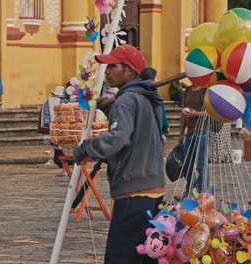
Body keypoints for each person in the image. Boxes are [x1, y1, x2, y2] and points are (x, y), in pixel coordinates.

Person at [73, 44, 165, 264]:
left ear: (129, 71)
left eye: (112, 66)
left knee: (122, 257)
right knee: (146, 255)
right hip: (153, 188)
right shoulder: (148, 98)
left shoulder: (126, 100)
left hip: (133, 190)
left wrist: (86, 148)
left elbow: (117, 139)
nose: (107, 72)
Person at [175, 84, 209, 201]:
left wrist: (197, 114)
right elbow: (184, 113)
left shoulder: (205, 91)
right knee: (187, 165)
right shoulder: (188, 90)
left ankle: (201, 194)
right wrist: (181, 133)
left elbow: (213, 113)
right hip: (189, 133)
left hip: (203, 132)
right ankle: (190, 190)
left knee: (201, 166)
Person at [40, 85, 71, 177]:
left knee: (58, 150)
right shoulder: (67, 102)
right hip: (66, 129)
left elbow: (46, 117)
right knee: (66, 149)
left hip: (54, 129)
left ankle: (64, 170)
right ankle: (66, 169)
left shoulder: (48, 102)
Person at [140, 67, 170, 141]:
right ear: (151, 81)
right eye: (157, 78)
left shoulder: (136, 96)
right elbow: (163, 121)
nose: (159, 80)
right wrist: (166, 127)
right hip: (155, 136)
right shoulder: (156, 98)